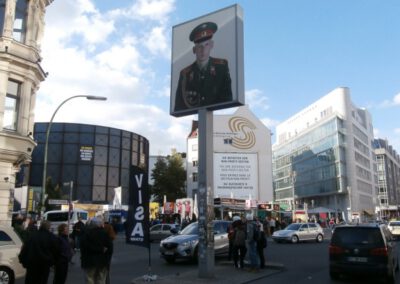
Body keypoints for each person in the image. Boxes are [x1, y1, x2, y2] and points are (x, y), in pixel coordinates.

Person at [174, 21, 232, 112]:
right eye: (199, 47)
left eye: (206, 45)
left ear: (212, 45)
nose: (203, 50)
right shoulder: (185, 74)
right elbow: (178, 107)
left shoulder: (221, 67)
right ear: (194, 50)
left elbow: (227, 98)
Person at [80, 217, 112, 284]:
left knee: (89, 278)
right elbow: (110, 248)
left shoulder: (86, 234)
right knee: (101, 279)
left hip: (89, 261)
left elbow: (83, 247)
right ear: (100, 224)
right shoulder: (105, 234)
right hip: (102, 262)